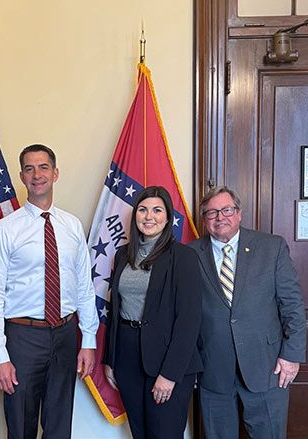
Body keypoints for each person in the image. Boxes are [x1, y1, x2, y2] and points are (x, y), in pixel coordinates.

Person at [0, 144, 99, 439]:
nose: (37, 175)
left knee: (60, 425)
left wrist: (87, 340)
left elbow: (84, 287)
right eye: (30, 169)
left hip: (65, 335)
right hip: (22, 338)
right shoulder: (5, 230)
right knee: (21, 425)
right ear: (22, 176)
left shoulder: (72, 226)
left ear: (55, 173)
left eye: (43, 167)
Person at [188, 186, 306, 439]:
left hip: (267, 365)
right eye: (211, 213)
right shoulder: (188, 254)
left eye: (227, 210)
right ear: (204, 220)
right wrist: (190, 364)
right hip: (212, 368)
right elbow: (183, 314)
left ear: (239, 213)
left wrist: (292, 355)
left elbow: (292, 304)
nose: (220, 217)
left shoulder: (271, 247)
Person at [103, 186, 203, 439]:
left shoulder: (184, 257)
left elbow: (189, 321)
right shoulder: (124, 254)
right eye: (143, 209)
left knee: (165, 433)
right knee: (140, 432)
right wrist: (111, 359)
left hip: (167, 360)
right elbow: (115, 309)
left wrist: (169, 375)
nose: (149, 216)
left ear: (168, 218)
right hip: (127, 357)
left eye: (157, 210)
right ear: (135, 214)